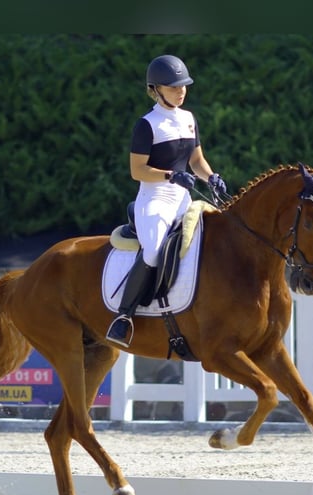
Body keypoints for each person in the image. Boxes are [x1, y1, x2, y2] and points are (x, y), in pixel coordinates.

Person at [105, 54, 227, 347]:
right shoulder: (146, 125)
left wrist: (210, 177)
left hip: (184, 198)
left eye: (183, 86)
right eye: (173, 87)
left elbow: (196, 160)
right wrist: (171, 176)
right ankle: (124, 316)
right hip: (155, 199)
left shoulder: (188, 119)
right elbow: (138, 171)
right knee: (153, 252)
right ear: (155, 89)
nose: (181, 91)